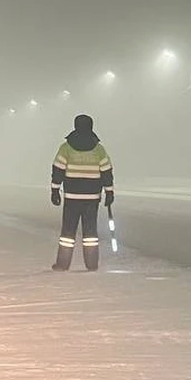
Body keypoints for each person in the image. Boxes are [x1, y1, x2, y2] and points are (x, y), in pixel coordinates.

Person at [50, 114, 114, 272]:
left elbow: (58, 169)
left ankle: (63, 264)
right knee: (90, 232)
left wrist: (55, 189)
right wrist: (109, 192)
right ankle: (92, 264)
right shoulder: (99, 149)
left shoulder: (66, 148)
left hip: (72, 196)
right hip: (92, 197)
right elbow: (106, 171)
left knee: (68, 232)